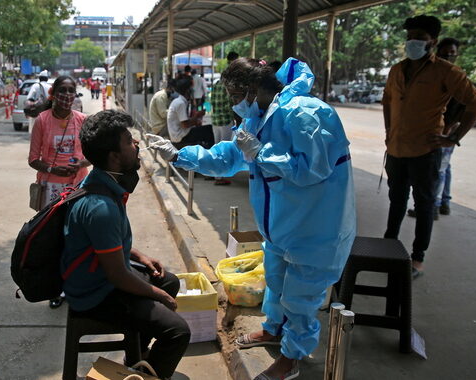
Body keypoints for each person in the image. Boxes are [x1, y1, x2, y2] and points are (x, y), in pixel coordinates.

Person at [148, 57, 356, 380]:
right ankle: (273, 329)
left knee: (301, 299)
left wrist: (262, 154)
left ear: (251, 88)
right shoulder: (257, 118)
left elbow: (312, 169)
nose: (233, 103)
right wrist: (180, 155)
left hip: (314, 230)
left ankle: (291, 359)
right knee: (275, 283)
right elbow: (228, 157)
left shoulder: (307, 112)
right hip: (280, 228)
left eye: (234, 94)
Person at [63, 110, 191, 379]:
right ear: (114, 156)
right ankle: (143, 375)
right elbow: (118, 275)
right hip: (95, 294)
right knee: (177, 331)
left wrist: (140, 256)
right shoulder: (100, 207)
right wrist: (156, 296)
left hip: (102, 277)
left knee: (169, 280)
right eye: (128, 140)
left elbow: (105, 243)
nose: (136, 144)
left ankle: (137, 358)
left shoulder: (101, 180)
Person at [382, 15, 476, 278]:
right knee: (396, 200)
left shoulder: (446, 72)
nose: (412, 43)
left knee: (425, 204)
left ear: (432, 42)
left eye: (419, 38)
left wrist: (454, 137)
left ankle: (417, 259)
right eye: (409, 38)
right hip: (396, 149)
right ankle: (388, 244)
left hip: (425, 152)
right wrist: (388, 130)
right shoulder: (396, 70)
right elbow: (387, 101)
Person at [28, 76, 91, 308]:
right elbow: (33, 159)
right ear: (53, 94)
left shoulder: (82, 120)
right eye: (62, 91)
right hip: (51, 190)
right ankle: (55, 289)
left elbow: (93, 153)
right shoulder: (42, 121)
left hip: (78, 189)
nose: (66, 95)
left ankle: (74, 287)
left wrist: (81, 165)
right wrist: (54, 168)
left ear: (75, 95)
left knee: (76, 239)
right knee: (54, 240)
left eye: (71, 91)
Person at [407, 37, 464, 219]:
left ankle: (433, 206)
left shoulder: (454, 75)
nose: (449, 55)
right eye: (446, 52)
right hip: (439, 130)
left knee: (438, 169)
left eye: (452, 53)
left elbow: (469, 105)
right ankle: (444, 202)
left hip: (445, 131)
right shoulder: (438, 73)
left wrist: (452, 132)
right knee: (444, 168)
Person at [209, 51, 240, 186]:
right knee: (225, 149)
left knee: (216, 148)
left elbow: (212, 103)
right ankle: (219, 177)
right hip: (225, 120)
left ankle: (214, 173)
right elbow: (230, 105)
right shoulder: (228, 87)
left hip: (215, 121)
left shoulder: (216, 84)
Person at [166, 77, 212, 149]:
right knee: (209, 130)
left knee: (204, 129)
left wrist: (196, 119)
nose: (193, 90)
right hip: (180, 137)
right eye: (191, 88)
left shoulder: (181, 101)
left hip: (179, 134)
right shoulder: (180, 103)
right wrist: (197, 116)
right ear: (187, 90)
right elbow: (185, 124)